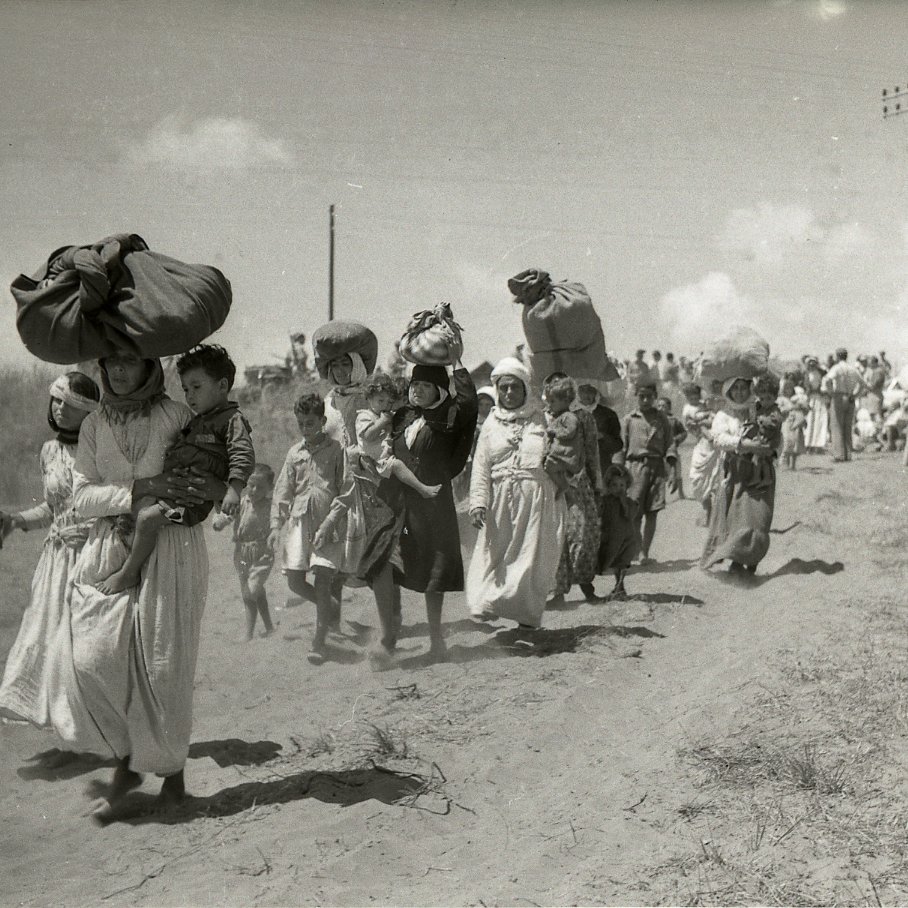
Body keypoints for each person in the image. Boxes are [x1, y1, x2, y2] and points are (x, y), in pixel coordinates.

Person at [69, 351, 225, 821]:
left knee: (164, 666)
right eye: (110, 361)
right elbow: (81, 496)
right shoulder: (94, 424)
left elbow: (199, 478)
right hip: (107, 546)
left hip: (172, 548)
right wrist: (139, 490)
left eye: (129, 361)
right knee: (94, 659)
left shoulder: (176, 415)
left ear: (150, 366)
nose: (118, 370)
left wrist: (161, 496)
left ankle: (172, 780)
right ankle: (126, 763)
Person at [96, 344, 254, 595]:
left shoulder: (232, 420)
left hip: (191, 499)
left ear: (222, 386)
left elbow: (241, 454)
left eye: (197, 387)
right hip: (180, 486)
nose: (190, 395)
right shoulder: (200, 420)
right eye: (185, 389)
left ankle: (129, 572)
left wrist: (233, 490)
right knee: (138, 509)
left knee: (147, 519)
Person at [0, 372, 100, 752]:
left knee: (79, 650)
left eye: (71, 406)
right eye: (57, 401)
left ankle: (94, 741)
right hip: (55, 560)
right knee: (46, 643)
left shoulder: (100, 449)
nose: (60, 410)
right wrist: (17, 521)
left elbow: (111, 501)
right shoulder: (49, 451)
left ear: (89, 413)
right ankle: (70, 742)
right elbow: (55, 507)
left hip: (92, 556)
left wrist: (91, 532)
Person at [467, 357, 566, 629]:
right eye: (503, 388)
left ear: (525, 389)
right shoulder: (490, 424)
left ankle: (527, 617)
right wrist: (478, 503)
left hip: (537, 501)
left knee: (529, 561)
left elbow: (564, 449)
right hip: (500, 501)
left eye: (514, 387)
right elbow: (481, 467)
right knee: (494, 557)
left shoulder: (543, 418)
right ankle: (487, 604)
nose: (509, 393)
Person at [390, 361, 478, 661]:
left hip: (432, 504)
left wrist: (457, 365)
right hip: (401, 505)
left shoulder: (448, 417)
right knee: (393, 563)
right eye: (415, 384)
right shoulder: (402, 417)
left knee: (434, 569)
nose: (418, 390)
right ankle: (389, 635)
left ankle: (436, 639)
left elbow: (468, 404)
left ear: (440, 390)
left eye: (426, 386)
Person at [269, 392, 346, 665]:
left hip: (328, 525)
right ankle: (330, 607)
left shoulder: (337, 451)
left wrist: (333, 520)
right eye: (301, 423)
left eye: (310, 423)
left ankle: (319, 642)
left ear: (323, 421)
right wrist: (275, 526)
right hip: (299, 523)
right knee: (294, 581)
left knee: (323, 581)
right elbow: (283, 491)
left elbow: (345, 490)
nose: (305, 429)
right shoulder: (294, 453)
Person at [700, 376, 776, 575]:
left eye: (744, 388)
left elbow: (776, 433)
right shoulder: (724, 414)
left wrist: (770, 448)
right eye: (736, 389)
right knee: (739, 518)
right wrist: (745, 445)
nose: (740, 392)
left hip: (762, 472)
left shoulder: (759, 408)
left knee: (760, 518)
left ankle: (751, 560)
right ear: (729, 391)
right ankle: (736, 561)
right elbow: (718, 439)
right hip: (737, 472)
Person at [543, 375, 602, 604]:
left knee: (583, 532)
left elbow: (591, 451)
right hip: (551, 482)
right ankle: (557, 591)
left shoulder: (583, 417)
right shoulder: (545, 417)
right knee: (557, 535)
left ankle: (586, 584)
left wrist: (597, 483)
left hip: (579, 481)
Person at [213, 463, 276, 641]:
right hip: (241, 552)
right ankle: (269, 627)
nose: (254, 490)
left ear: (270, 488)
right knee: (254, 590)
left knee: (250, 592)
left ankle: (248, 633)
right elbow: (228, 515)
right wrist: (220, 522)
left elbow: (278, 522)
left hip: (262, 553)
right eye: (251, 485)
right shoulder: (242, 502)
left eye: (260, 487)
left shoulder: (271, 506)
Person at [618, 382, 678, 563]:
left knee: (653, 511)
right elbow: (622, 447)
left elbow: (670, 444)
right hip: (635, 469)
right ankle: (636, 547)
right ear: (635, 396)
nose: (645, 400)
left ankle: (645, 552)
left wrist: (672, 469)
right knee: (635, 512)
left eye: (649, 397)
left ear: (655, 397)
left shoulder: (661, 419)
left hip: (657, 468)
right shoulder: (629, 420)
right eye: (641, 396)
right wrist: (620, 472)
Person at [355, 372, 441, 499]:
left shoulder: (383, 415)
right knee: (397, 465)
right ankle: (422, 489)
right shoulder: (364, 416)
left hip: (384, 455)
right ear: (368, 398)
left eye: (389, 402)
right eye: (380, 401)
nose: (385, 405)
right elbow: (367, 436)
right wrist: (382, 422)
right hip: (377, 460)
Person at [597, 464, 640, 600]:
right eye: (614, 485)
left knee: (623, 562)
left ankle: (620, 586)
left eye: (622, 485)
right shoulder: (606, 501)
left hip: (627, 537)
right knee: (614, 562)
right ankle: (618, 585)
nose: (618, 489)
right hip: (612, 538)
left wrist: (623, 503)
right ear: (609, 486)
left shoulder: (629, 502)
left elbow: (630, 515)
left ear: (627, 486)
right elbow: (600, 515)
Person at [821, 348, 869, 462]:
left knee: (836, 425)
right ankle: (847, 454)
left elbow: (827, 379)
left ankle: (839, 455)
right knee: (847, 426)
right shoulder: (852, 369)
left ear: (837, 356)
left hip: (838, 396)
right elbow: (863, 384)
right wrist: (855, 395)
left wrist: (830, 392)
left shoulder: (837, 368)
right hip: (850, 397)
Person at [682, 382, 718, 525]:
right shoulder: (687, 409)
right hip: (701, 443)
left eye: (695, 395)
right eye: (690, 397)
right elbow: (690, 425)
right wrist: (702, 422)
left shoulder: (705, 404)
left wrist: (705, 418)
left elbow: (714, 418)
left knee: (714, 479)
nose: (694, 399)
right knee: (697, 478)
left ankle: (711, 513)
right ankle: (706, 507)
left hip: (714, 443)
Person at [741, 374, 783, 488]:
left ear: (775, 397)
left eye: (769, 398)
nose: (765, 402)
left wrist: (764, 420)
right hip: (764, 437)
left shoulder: (774, 410)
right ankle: (760, 477)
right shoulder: (762, 408)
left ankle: (764, 478)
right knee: (758, 458)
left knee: (761, 458)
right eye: (762, 398)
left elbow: (776, 422)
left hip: (771, 439)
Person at [574, 382, 622, 476]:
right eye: (583, 390)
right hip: (577, 468)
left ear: (597, 392)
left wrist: (602, 436)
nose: (587, 395)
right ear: (577, 391)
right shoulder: (571, 414)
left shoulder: (608, 414)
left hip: (601, 467)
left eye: (590, 390)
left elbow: (618, 445)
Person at [655, 396, 688, 498]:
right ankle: (660, 495)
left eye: (664, 406)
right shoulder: (655, 421)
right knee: (663, 473)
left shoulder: (674, 420)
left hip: (673, 450)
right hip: (660, 452)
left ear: (669, 408)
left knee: (677, 470)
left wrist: (677, 439)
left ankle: (681, 493)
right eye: (659, 406)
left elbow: (683, 432)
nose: (661, 408)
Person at [802, 356, 829, 453]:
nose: (812, 365)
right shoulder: (807, 374)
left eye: (814, 363)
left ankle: (819, 444)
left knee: (820, 420)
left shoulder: (820, 373)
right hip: (811, 399)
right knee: (810, 420)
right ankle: (808, 444)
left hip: (819, 399)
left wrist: (821, 391)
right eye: (810, 363)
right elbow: (807, 387)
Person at [779, 389, 809, 470]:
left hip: (797, 428)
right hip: (788, 426)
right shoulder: (783, 401)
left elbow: (805, 413)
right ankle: (787, 464)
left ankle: (793, 465)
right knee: (788, 444)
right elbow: (780, 411)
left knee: (796, 446)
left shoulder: (799, 407)